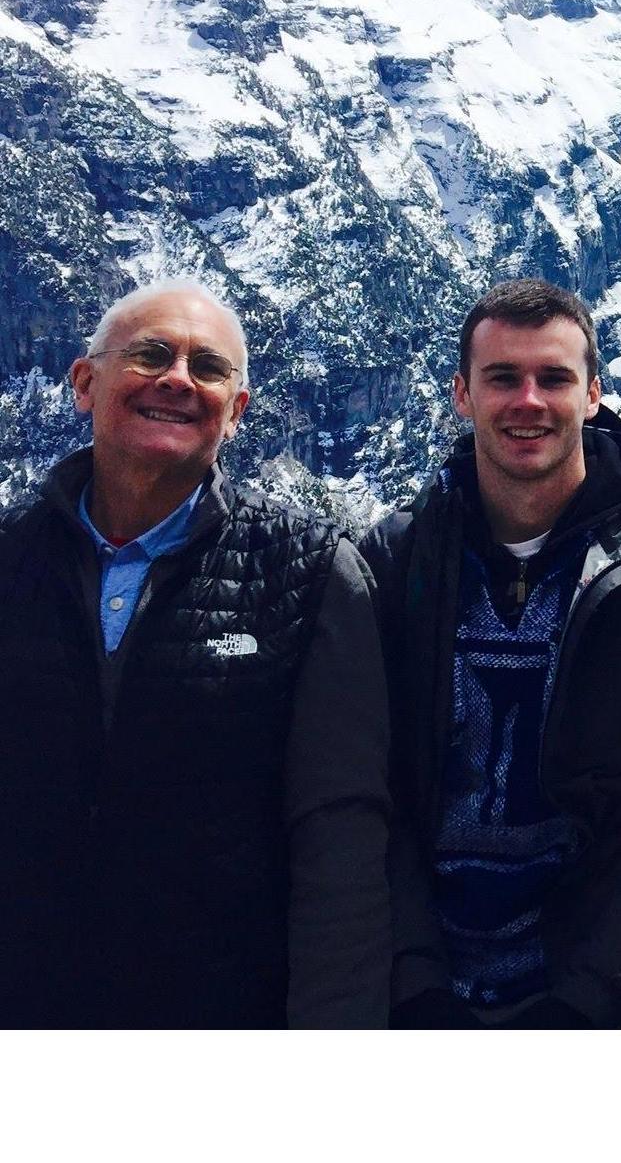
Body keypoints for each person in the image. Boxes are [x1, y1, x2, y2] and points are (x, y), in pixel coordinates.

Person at [0, 279, 390, 1027]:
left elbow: (338, 835)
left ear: (236, 412)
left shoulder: (310, 572)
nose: (178, 380)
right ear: (85, 382)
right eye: (151, 355)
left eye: (209, 368)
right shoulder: (10, 558)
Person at [361, 278, 621, 1028]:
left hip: (604, 996)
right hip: (421, 987)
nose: (528, 400)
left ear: (593, 394)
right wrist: (414, 978)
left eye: (554, 378)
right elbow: (366, 787)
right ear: (461, 395)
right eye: (502, 377)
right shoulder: (396, 560)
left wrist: (589, 997)